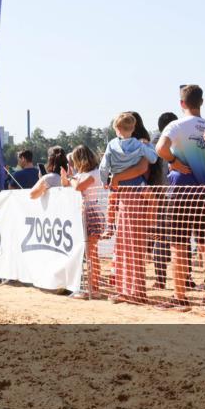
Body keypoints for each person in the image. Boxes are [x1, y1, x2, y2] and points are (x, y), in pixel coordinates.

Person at [155, 85, 205, 310]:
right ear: (202, 102)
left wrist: (173, 162)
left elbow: (160, 148)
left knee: (178, 245)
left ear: (182, 103)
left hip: (181, 190)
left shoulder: (175, 125)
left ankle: (180, 296)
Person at [100, 112, 159, 304]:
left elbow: (103, 168)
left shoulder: (111, 146)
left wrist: (107, 181)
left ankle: (133, 291)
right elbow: (152, 159)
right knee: (132, 246)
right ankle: (132, 289)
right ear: (133, 127)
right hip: (136, 193)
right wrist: (146, 147)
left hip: (124, 195)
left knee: (127, 246)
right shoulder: (140, 145)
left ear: (116, 128)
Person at [60, 145, 105, 300]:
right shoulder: (84, 173)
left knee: (91, 253)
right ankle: (91, 288)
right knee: (88, 253)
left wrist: (72, 178)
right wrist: (67, 177)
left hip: (91, 214)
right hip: (85, 214)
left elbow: (78, 187)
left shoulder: (94, 173)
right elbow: (68, 184)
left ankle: (94, 289)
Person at [150, 112, 179, 290]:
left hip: (159, 196)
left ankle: (160, 279)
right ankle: (187, 277)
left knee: (160, 238)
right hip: (177, 194)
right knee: (179, 239)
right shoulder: (179, 143)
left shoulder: (154, 144)